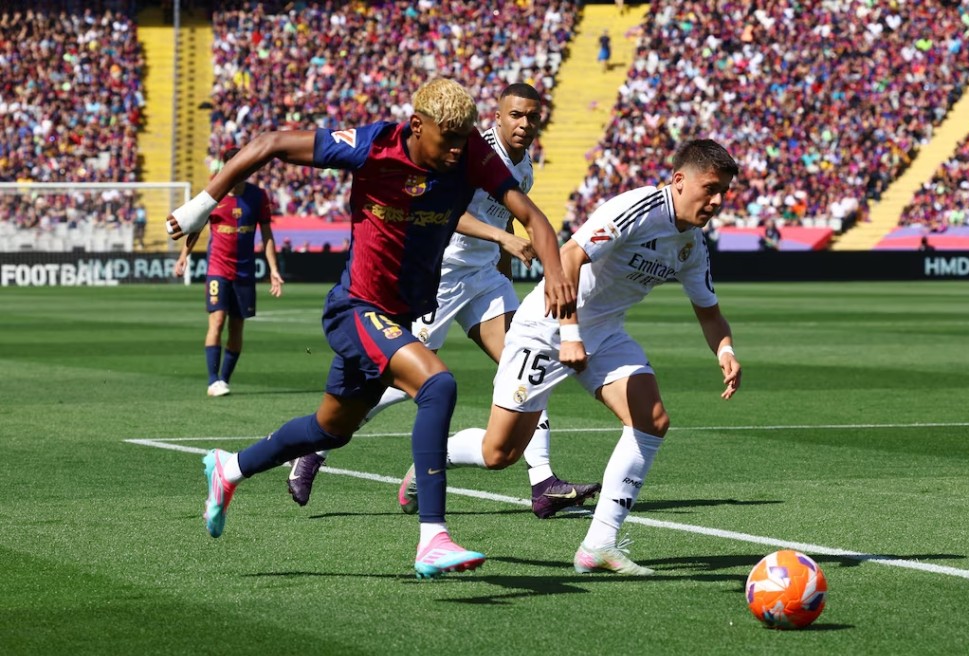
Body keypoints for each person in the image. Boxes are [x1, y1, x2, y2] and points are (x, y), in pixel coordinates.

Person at [165, 78, 575, 579]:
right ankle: (432, 538)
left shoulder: (470, 155)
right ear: (417, 127)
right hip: (355, 308)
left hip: (398, 315)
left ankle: (228, 469)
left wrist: (555, 274)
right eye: (446, 140)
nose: (455, 152)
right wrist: (199, 207)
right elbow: (269, 144)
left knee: (329, 429)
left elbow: (532, 217)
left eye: (461, 140)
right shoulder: (373, 146)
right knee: (437, 383)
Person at [410, 138, 742, 575]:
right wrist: (568, 334)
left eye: (724, 193)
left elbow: (709, 310)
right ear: (679, 181)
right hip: (547, 327)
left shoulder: (691, 245)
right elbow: (567, 257)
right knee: (499, 453)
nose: (716, 201)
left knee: (651, 418)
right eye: (710, 188)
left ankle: (599, 545)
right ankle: (430, 460)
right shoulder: (638, 209)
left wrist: (725, 349)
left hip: (603, 334)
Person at [286, 83, 600, 519]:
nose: (525, 124)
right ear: (497, 116)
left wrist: (502, 267)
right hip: (441, 274)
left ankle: (543, 482)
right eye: (516, 115)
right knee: (400, 379)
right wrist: (501, 238)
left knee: (529, 360)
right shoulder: (469, 151)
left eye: (532, 117)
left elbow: (505, 212)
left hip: (484, 278)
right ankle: (315, 448)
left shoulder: (523, 165)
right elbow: (452, 209)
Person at [173, 148, 284, 397]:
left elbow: (266, 234)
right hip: (218, 269)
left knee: (237, 327)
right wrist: (183, 256)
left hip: (244, 273)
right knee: (218, 320)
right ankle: (213, 380)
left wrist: (273, 269)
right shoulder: (213, 193)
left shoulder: (258, 196)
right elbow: (196, 228)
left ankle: (224, 379)